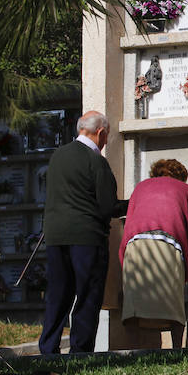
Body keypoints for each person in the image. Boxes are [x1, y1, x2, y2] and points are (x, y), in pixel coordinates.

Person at [39, 111, 127, 354]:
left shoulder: (58, 156)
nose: (106, 141)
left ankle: (48, 349)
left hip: (56, 236)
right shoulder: (96, 160)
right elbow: (107, 206)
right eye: (106, 136)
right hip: (86, 237)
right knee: (87, 295)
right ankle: (80, 351)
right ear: (100, 133)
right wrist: (135, 204)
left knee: (58, 294)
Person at [119, 159, 188, 349]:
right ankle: (176, 350)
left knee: (133, 306)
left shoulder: (140, 188)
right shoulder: (186, 190)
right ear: (181, 176)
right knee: (173, 305)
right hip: (168, 246)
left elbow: (129, 223)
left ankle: (135, 350)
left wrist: (123, 257)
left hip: (136, 247)